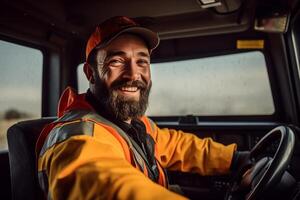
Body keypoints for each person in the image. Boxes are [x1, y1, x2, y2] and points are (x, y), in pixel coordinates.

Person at [36, 16, 246, 200]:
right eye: (117, 61)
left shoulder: (134, 123)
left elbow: (175, 145)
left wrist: (237, 160)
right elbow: (109, 186)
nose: (133, 75)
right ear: (91, 73)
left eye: (142, 61)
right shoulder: (76, 138)